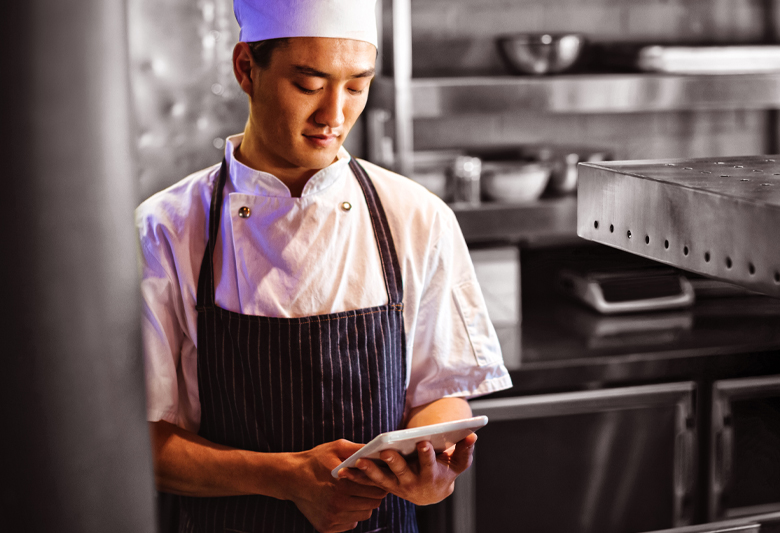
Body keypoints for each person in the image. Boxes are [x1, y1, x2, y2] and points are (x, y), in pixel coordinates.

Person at [135, 1, 512, 531]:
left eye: (356, 86)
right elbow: (138, 443)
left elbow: (440, 394)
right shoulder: (166, 230)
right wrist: (286, 478)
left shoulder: (416, 216)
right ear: (247, 68)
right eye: (309, 85)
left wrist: (432, 473)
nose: (333, 115)